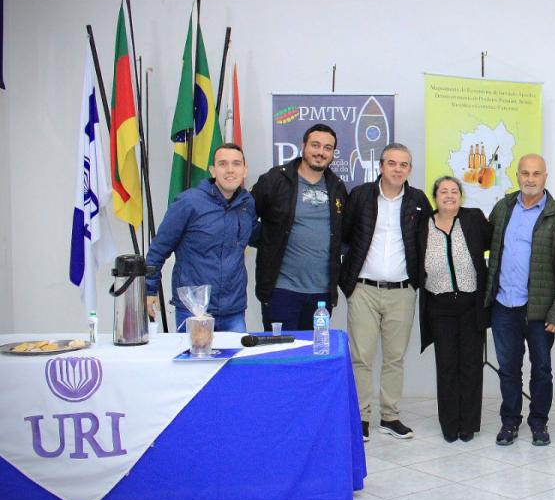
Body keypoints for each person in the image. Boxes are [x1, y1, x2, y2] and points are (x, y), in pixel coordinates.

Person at [341, 144, 430, 443]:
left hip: (402, 291)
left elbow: (424, 242)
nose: (397, 169)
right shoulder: (360, 196)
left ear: (409, 169)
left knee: (394, 358)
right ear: (381, 166)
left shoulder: (418, 200)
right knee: (361, 357)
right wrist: (347, 281)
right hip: (364, 289)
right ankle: (361, 417)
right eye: (392, 163)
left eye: (404, 164)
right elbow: (345, 236)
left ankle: (390, 417)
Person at [485, 154, 555, 447]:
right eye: (525, 173)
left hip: (540, 311)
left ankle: (538, 422)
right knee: (508, 370)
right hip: (503, 306)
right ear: (517, 176)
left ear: (545, 177)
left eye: (536, 174)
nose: (530, 179)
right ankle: (510, 422)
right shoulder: (503, 207)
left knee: (542, 371)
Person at [146, 143, 256, 332]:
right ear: (212, 171)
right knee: (194, 353)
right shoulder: (188, 202)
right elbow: (159, 248)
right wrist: (149, 289)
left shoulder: (247, 204)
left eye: (236, 164)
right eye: (223, 164)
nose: (230, 170)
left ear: (244, 170)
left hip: (234, 310)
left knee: (235, 353)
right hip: (194, 310)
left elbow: (257, 235)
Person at [251, 123, 348, 331]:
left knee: (315, 349)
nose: (321, 152)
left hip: (321, 294)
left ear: (333, 153)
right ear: (303, 146)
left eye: (327, 148)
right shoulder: (275, 180)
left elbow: (344, 233)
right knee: (282, 350)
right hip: (281, 290)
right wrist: (269, 240)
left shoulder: (337, 187)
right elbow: (244, 217)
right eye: (315, 145)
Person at [417, 176, 492, 442]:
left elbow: (493, 244)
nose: (449, 196)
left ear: (461, 196)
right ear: (435, 197)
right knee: (446, 365)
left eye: (454, 191)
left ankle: (468, 424)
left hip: (471, 305)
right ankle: (449, 424)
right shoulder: (423, 224)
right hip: (439, 307)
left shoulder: (473, 219)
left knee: (471, 366)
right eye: (443, 192)